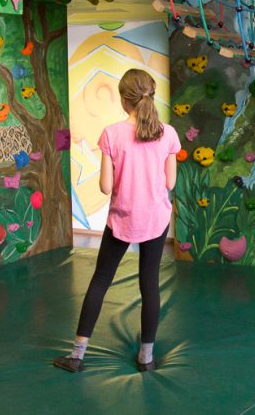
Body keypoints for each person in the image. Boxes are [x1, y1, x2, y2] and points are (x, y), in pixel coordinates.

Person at [54, 69, 179, 374]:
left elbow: (106, 188)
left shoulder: (111, 133)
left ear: (125, 100)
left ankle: (77, 355)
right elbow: (171, 182)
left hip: (122, 219)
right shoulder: (169, 133)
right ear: (150, 95)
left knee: (100, 281)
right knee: (150, 284)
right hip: (155, 218)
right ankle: (146, 358)